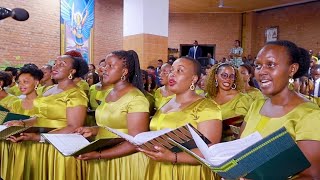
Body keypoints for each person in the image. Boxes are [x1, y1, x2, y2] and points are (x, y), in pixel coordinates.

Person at [240, 40, 320, 178]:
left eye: (270, 65)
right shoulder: (256, 105)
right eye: (258, 65)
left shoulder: (309, 115)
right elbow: (240, 149)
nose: (261, 71)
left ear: (292, 69)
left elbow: (310, 176)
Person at [6, 55, 89, 180]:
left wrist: (40, 137)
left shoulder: (76, 94)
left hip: (60, 147)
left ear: (72, 71)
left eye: (62, 64)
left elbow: (74, 127)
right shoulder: (48, 90)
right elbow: (39, 117)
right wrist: (22, 123)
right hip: (40, 144)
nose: (55, 66)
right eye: (55, 63)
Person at [139, 57, 222, 180]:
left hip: (188, 172)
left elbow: (210, 150)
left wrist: (173, 157)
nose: (172, 74)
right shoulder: (166, 103)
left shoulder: (207, 107)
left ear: (194, 78)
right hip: (158, 167)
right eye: (172, 70)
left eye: (180, 71)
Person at [75, 50, 150, 180]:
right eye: (104, 65)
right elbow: (111, 125)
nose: (104, 69)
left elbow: (136, 141)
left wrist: (99, 155)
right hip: (103, 155)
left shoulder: (136, 99)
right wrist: (93, 130)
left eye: (110, 66)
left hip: (124, 162)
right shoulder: (110, 93)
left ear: (124, 72)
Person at [206, 63, 252, 141]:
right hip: (206, 143)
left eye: (231, 76)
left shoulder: (242, 99)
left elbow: (241, 128)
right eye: (224, 75)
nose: (228, 79)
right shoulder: (208, 97)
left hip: (231, 145)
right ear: (216, 77)